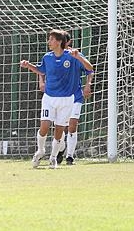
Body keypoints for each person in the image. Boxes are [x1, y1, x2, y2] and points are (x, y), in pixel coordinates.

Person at [19, 29, 93, 169]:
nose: (49, 42)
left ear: (59, 42)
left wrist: (79, 57)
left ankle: (53, 157)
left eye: (52, 39)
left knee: (59, 130)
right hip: (49, 98)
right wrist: (28, 66)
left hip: (67, 99)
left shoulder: (72, 56)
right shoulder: (47, 57)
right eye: (49, 39)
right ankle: (40, 151)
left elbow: (90, 68)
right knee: (45, 126)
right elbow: (41, 70)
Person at [43, 33, 93, 165]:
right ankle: (61, 148)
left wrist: (88, 85)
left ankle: (70, 156)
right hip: (58, 97)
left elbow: (89, 70)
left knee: (72, 124)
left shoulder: (75, 55)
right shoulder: (51, 56)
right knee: (59, 126)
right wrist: (41, 81)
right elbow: (43, 69)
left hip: (75, 96)